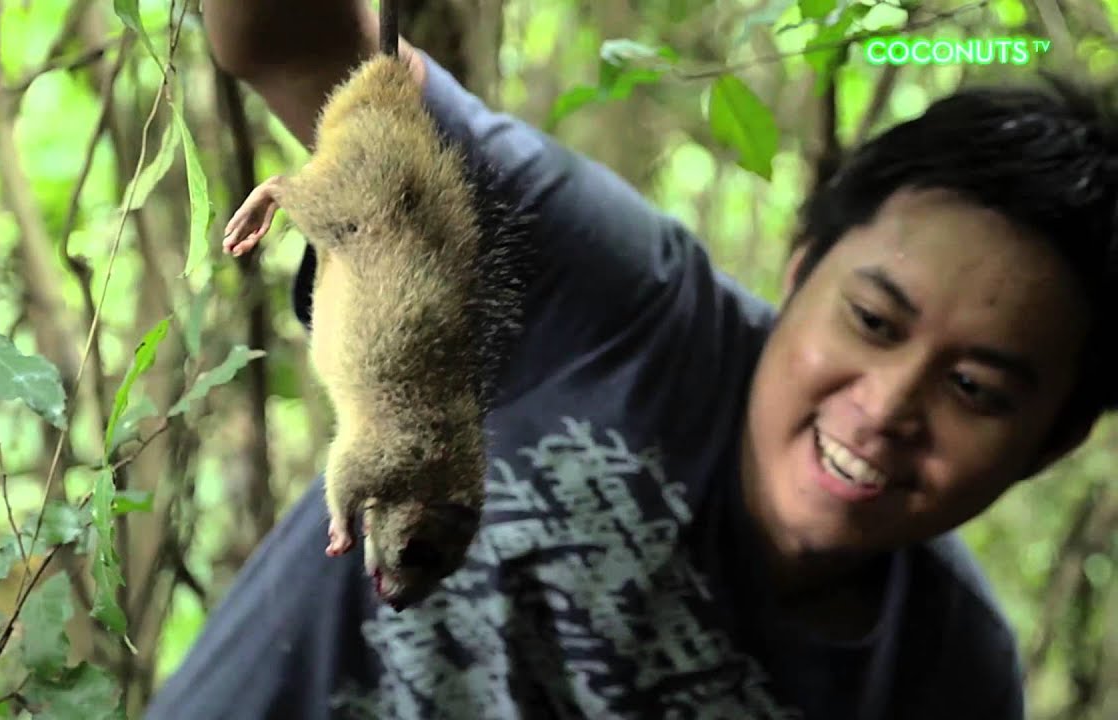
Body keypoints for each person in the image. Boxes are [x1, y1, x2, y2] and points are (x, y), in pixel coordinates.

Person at [145, 2, 1118, 718]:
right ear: (800, 268)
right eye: (871, 319)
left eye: (974, 388)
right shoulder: (617, 297)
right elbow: (288, 40)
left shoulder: (947, 677)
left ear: (1052, 440)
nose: (888, 404)